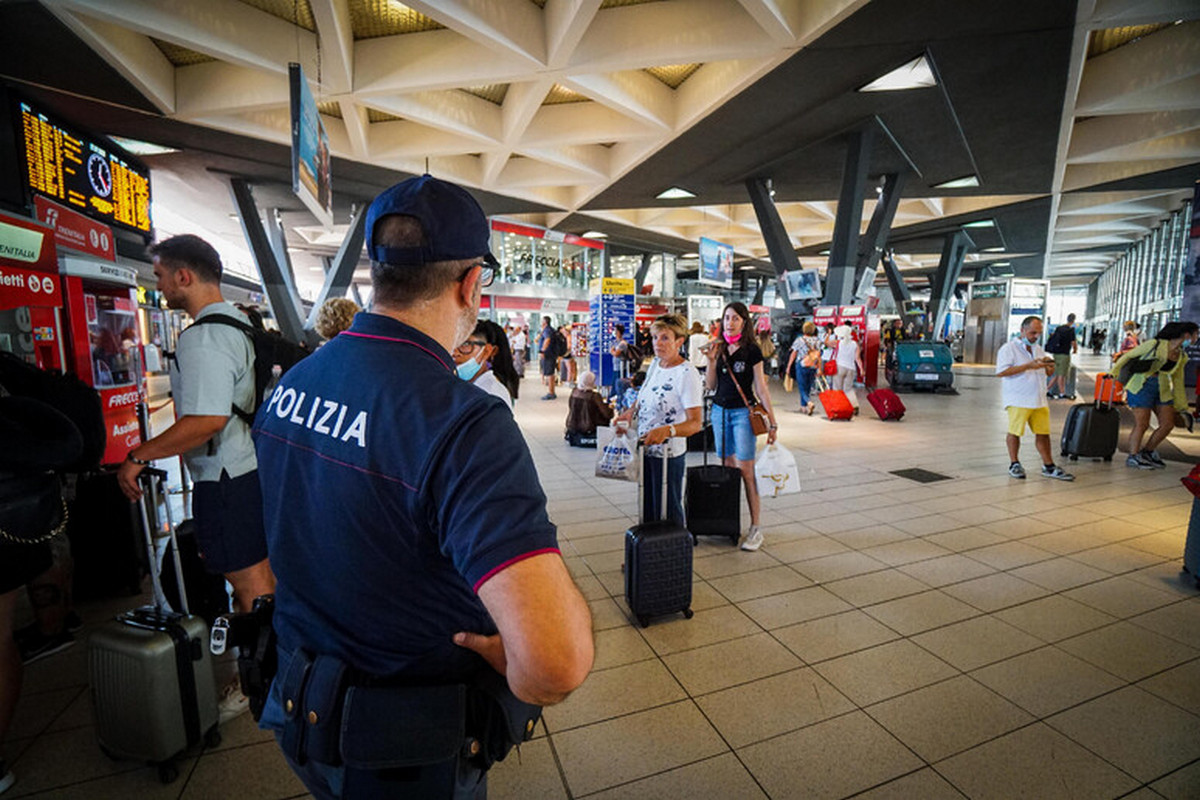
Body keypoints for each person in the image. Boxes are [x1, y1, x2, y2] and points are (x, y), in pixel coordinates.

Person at [252, 175, 593, 798]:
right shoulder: (462, 421)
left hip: (303, 709)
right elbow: (555, 664)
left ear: (377, 274)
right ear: (470, 284)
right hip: (406, 748)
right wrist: (516, 656)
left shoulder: (294, 385)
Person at [116, 234, 276, 723]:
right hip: (249, 468)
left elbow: (206, 419)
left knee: (250, 584)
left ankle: (259, 682)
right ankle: (275, 667)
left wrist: (139, 455)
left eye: (161, 275)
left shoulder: (205, 335)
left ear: (184, 275)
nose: (159, 285)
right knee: (263, 578)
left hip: (225, 478)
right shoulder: (242, 323)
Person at [615, 315, 703, 527]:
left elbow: (695, 423)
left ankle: (672, 555)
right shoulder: (655, 364)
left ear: (679, 342)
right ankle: (647, 555)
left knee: (668, 507)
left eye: (665, 338)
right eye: (655, 337)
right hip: (646, 449)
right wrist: (629, 412)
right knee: (648, 505)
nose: (657, 343)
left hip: (668, 454)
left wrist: (667, 431)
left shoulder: (687, 373)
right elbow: (645, 394)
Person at [705, 302, 779, 551]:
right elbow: (710, 386)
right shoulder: (719, 348)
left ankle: (756, 527)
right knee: (727, 467)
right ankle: (729, 522)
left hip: (742, 415)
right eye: (726, 318)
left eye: (735, 318)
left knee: (746, 469)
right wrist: (711, 361)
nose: (730, 322)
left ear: (744, 322)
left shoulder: (752, 351)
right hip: (719, 412)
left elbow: (760, 387)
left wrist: (772, 420)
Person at [995, 316, 1075, 481]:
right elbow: (1001, 372)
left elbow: (1047, 372)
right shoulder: (1008, 349)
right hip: (1018, 398)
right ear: (1022, 330)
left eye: (1038, 333)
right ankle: (1014, 463)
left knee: (1043, 433)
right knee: (1015, 432)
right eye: (1032, 332)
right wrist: (1028, 366)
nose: (1035, 336)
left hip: (1039, 399)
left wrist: (1049, 366)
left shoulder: (1038, 349)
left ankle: (1048, 465)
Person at [1114, 321, 1199, 469]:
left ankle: (1147, 451)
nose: (1196, 338)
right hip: (1142, 386)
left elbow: (1178, 382)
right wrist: (1113, 374)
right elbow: (1126, 357)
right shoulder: (1155, 344)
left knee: (1167, 424)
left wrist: (1182, 407)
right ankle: (1133, 456)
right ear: (1186, 335)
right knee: (1142, 424)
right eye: (1195, 334)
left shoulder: (1181, 355)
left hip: (1162, 389)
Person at [454, 319, 519, 408]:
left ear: (487, 351)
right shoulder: (467, 386)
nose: (455, 352)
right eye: (453, 344)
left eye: (465, 344)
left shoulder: (492, 395)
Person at [564, 371, 613, 446]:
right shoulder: (594, 396)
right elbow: (607, 414)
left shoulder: (574, 392)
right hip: (591, 426)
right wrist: (610, 408)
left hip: (574, 426)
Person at [784, 321, 820, 415]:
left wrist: (788, 366)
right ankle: (803, 407)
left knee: (801, 386)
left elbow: (793, 353)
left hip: (802, 365)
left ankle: (808, 402)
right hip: (813, 365)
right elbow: (819, 355)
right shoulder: (817, 340)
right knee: (808, 386)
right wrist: (819, 368)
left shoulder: (800, 340)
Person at [831, 328, 865, 415]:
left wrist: (828, 334)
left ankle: (838, 407)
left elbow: (826, 343)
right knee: (848, 389)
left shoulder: (838, 343)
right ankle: (854, 405)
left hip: (840, 367)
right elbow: (857, 358)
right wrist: (861, 369)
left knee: (837, 388)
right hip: (851, 368)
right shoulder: (855, 344)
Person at [1044, 313, 1078, 399]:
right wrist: (1075, 350)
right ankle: (1062, 393)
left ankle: (1046, 390)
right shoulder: (1071, 330)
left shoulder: (1059, 328)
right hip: (1064, 354)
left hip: (1056, 354)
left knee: (1057, 374)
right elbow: (1073, 342)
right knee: (1061, 375)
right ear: (1073, 320)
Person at [537, 316, 558, 400]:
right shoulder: (549, 329)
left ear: (545, 322)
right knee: (550, 372)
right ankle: (551, 392)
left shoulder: (547, 330)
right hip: (551, 354)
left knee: (550, 373)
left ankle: (551, 393)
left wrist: (542, 350)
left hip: (548, 355)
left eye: (542, 321)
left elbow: (547, 339)